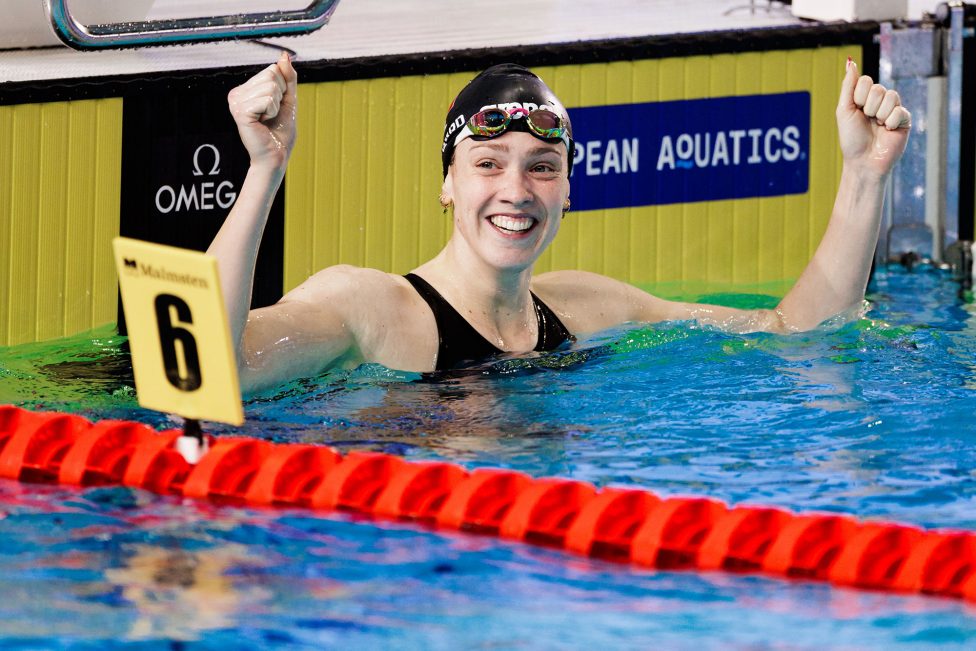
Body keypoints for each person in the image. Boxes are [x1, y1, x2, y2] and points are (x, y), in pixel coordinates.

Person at [208, 52, 911, 392]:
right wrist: (264, 171)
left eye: (543, 165)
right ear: (446, 184)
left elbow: (796, 334)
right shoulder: (369, 307)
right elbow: (206, 367)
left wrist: (865, 174)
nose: (516, 189)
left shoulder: (587, 306)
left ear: (568, 189)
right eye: (487, 163)